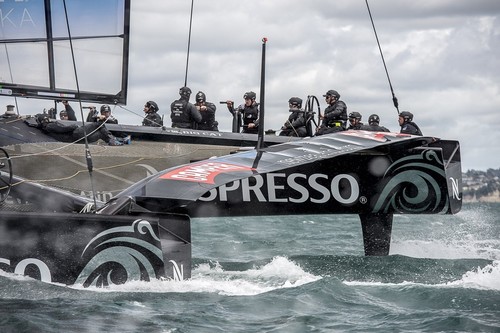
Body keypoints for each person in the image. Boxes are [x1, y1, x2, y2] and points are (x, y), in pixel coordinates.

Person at [36, 113, 123, 146]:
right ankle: (112, 139)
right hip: (75, 133)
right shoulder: (50, 126)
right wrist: (74, 126)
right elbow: (63, 129)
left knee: (100, 133)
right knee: (99, 124)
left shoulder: (46, 128)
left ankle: (111, 140)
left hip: (76, 140)